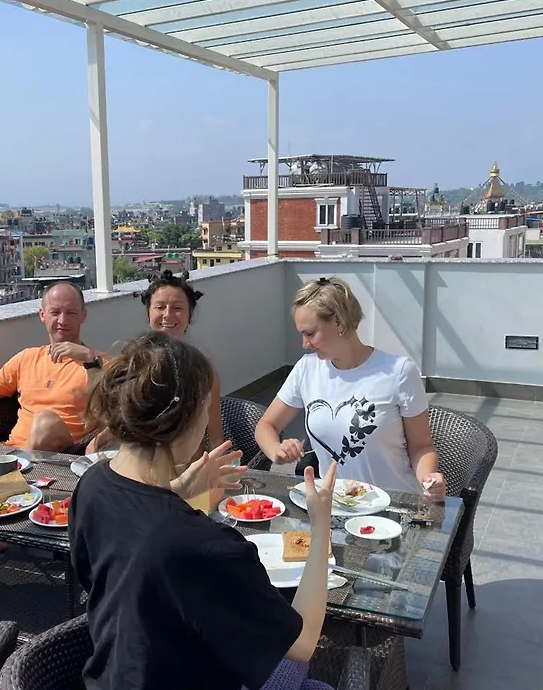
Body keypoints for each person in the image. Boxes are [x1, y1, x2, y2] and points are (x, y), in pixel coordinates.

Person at [71, 331, 339, 690]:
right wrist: (321, 527)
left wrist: (176, 494)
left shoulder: (92, 485)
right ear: (187, 418)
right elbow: (299, 645)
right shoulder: (203, 544)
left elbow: (126, 563)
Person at [255, 277, 446, 500]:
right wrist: (276, 450)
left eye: (310, 333)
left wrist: (428, 479)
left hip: (394, 504)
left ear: (339, 323)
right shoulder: (306, 369)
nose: (304, 344)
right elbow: (266, 426)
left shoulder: (399, 372)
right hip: (337, 504)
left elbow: (421, 446)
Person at [0, 281, 104, 554]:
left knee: (45, 421)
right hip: (10, 457)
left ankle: (9, 520)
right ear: (42, 315)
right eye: (55, 312)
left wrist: (90, 361)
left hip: (63, 455)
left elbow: (110, 410)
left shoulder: (101, 362)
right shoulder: (27, 359)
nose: (62, 320)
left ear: (83, 315)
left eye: (71, 313)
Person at [136, 270, 226, 506]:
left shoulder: (202, 368)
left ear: (189, 315)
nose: (168, 315)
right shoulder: (135, 363)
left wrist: (216, 481)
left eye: (177, 308)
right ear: (148, 312)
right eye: (160, 307)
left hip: (188, 478)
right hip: (141, 474)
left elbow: (215, 434)